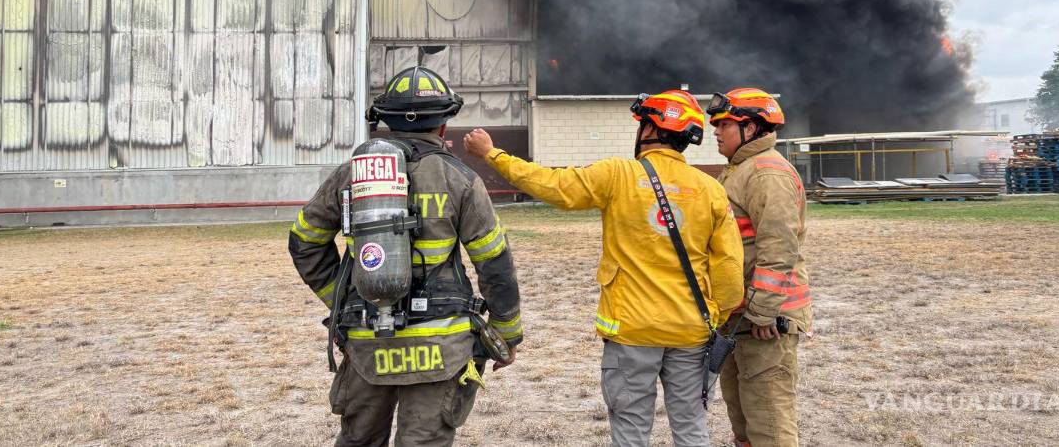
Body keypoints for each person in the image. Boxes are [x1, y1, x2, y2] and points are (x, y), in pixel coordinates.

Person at [464, 90, 743, 447]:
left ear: (649, 130)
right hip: (691, 334)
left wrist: (492, 154)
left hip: (631, 332)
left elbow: (552, 185)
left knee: (630, 431)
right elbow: (731, 274)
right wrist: (712, 317)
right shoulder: (710, 190)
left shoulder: (618, 174)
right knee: (691, 428)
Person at [290, 66, 523, 447]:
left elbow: (304, 240)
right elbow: (493, 262)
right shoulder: (460, 179)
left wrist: (344, 298)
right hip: (440, 347)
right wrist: (507, 333)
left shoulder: (351, 175)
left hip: (367, 342)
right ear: (444, 126)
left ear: (386, 122)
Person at [707, 88, 812, 447]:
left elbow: (779, 248)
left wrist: (765, 312)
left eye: (724, 124)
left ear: (750, 128)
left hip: (766, 323)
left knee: (768, 422)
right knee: (743, 418)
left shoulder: (767, 174)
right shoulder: (740, 169)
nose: (715, 131)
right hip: (741, 319)